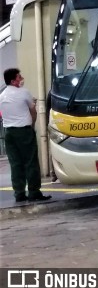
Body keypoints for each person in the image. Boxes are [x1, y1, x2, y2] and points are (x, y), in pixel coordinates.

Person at [0, 68, 51, 202]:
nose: (21, 78)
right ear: (13, 81)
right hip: (24, 131)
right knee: (30, 162)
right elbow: (33, 112)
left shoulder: (2, 95)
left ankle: (19, 193)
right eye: (19, 77)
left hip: (9, 133)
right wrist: (32, 125)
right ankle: (34, 192)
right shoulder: (23, 93)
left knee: (15, 163)